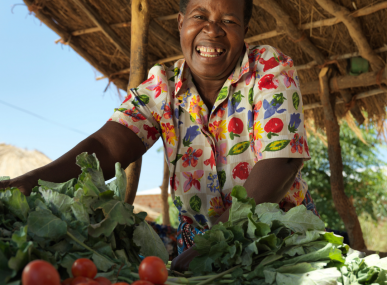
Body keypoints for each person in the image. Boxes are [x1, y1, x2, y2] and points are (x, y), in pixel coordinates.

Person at [0, 0, 319, 272]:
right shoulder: (161, 88)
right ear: (181, 23)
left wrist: (215, 241)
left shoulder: (267, 67)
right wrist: (29, 182)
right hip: (195, 259)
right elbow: (108, 145)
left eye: (229, 20)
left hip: (280, 251)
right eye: (199, 16)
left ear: (245, 30)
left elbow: (282, 161)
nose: (213, 29)